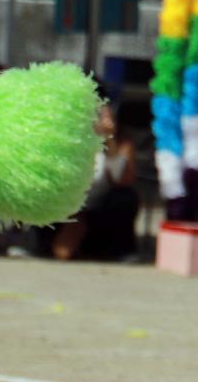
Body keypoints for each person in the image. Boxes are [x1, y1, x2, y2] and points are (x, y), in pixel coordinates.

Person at [50, 99, 144, 263]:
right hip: (69, 206)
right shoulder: (68, 139)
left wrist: (109, 141)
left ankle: (121, 250)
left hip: (102, 208)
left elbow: (122, 180)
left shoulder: (122, 142)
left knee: (126, 198)